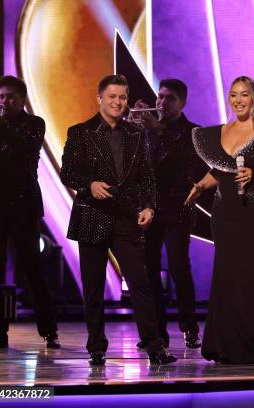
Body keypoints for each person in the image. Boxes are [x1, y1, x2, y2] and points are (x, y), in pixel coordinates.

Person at [60, 74, 176, 365]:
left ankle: (154, 347)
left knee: (141, 283)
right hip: (92, 215)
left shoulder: (136, 134)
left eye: (122, 97)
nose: (118, 102)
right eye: (112, 97)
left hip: (126, 217)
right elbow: (69, 173)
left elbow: (147, 176)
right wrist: (90, 185)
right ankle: (96, 347)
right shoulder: (80, 132)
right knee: (94, 287)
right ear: (100, 98)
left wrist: (149, 206)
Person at [185, 76, 254, 364]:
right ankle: (228, 345)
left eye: (244, 95)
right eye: (234, 95)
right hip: (225, 213)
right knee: (228, 276)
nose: (238, 100)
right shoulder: (222, 131)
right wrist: (199, 186)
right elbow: (220, 170)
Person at [0, 75, 59, 349]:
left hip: (23, 204)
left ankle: (49, 330)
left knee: (32, 270)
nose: (4, 102)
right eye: (0, 97)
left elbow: (23, 153)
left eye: (10, 97)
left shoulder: (33, 124)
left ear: (22, 100)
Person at [134, 79, 208, 350]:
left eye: (170, 98)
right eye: (160, 97)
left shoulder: (193, 132)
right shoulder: (147, 129)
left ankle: (189, 327)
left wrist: (158, 133)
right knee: (149, 271)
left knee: (179, 268)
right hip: (149, 209)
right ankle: (157, 333)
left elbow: (187, 171)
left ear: (183, 103)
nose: (162, 103)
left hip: (177, 209)